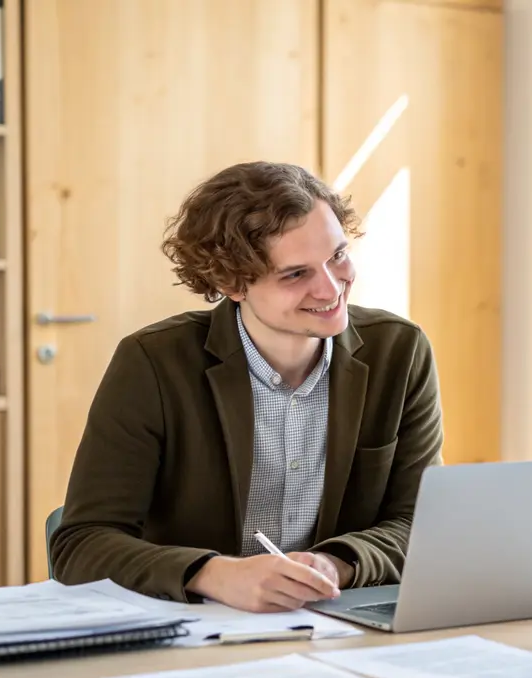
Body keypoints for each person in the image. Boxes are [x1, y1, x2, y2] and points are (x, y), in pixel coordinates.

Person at [50, 161, 444, 613]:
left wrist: (336, 564)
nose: (331, 287)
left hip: (341, 626)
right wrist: (213, 575)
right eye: (296, 274)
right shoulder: (153, 363)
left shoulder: (400, 351)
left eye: (337, 255)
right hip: (192, 629)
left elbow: (420, 522)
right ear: (230, 283)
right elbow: (80, 545)